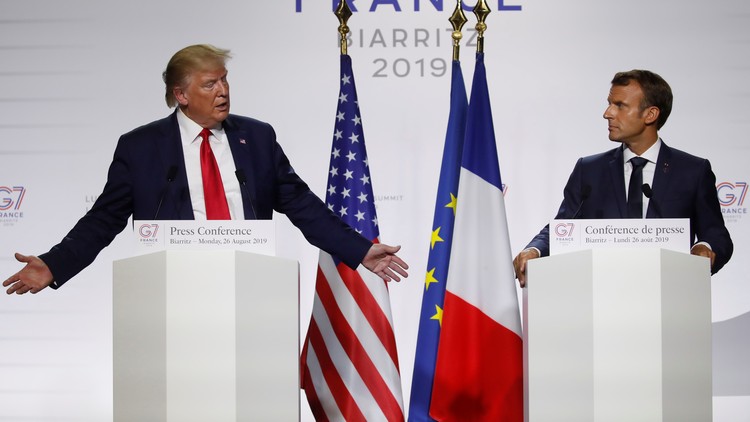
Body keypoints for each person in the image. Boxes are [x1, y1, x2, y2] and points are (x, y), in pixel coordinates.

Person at [3, 44, 409, 295]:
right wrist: (55, 263)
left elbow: (302, 205)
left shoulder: (258, 137)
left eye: (225, 80)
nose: (224, 91)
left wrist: (359, 249)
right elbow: (104, 218)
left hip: (251, 286)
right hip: (172, 289)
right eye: (210, 84)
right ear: (180, 94)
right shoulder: (141, 148)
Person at [513, 69, 732, 287]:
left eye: (619, 105)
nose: (607, 113)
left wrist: (704, 247)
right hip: (601, 299)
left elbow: (716, 234)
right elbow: (563, 227)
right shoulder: (589, 170)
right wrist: (535, 249)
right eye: (609, 103)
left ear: (650, 114)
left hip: (671, 298)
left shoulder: (692, 170)